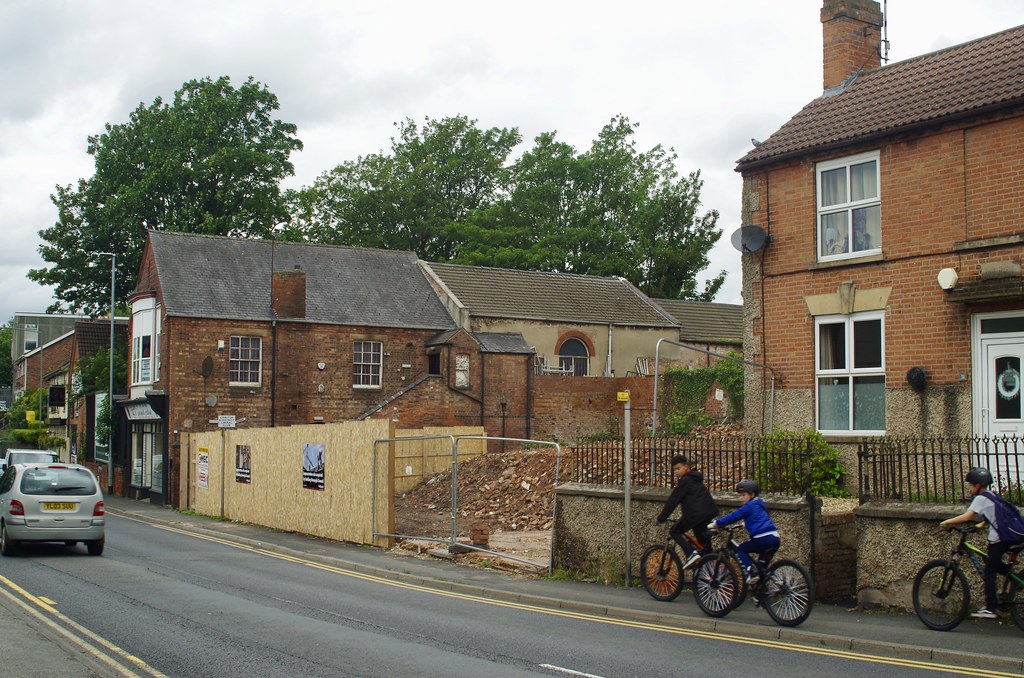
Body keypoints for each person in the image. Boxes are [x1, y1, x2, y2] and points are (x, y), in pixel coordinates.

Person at [939, 467, 1012, 619]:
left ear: (978, 485)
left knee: (990, 572)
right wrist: (982, 524)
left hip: (998, 539)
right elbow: (994, 514)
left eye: (971, 485)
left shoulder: (980, 499)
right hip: (1006, 537)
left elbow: (966, 517)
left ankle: (991, 607)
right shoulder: (992, 495)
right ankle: (1012, 580)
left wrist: (947, 522)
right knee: (991, 561)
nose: (970, 488)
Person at [709, 479, 780, 582]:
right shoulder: (760, 504)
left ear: (752, 494)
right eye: (740, 495)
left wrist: (716, 523)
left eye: (743, 495)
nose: (741, 499)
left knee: (741, 549)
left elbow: (734, 516)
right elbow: (760, 518)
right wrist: (746, 523)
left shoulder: (749, 506)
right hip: (774, 539)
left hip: (762, 539)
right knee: (762, 569)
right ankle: (761, 591)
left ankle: (750, 571)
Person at [656, 455, 718, 569]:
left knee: (674, 531)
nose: (676, 472)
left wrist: (661, 518)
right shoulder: (696, 479)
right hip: (708, 513)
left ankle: (691, 554)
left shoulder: (685, 481)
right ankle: (709, 574)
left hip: (695, 516)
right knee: (705, 548)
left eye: (678, 468)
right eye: (674, 469)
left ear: (686, 467)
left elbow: (673, 500)